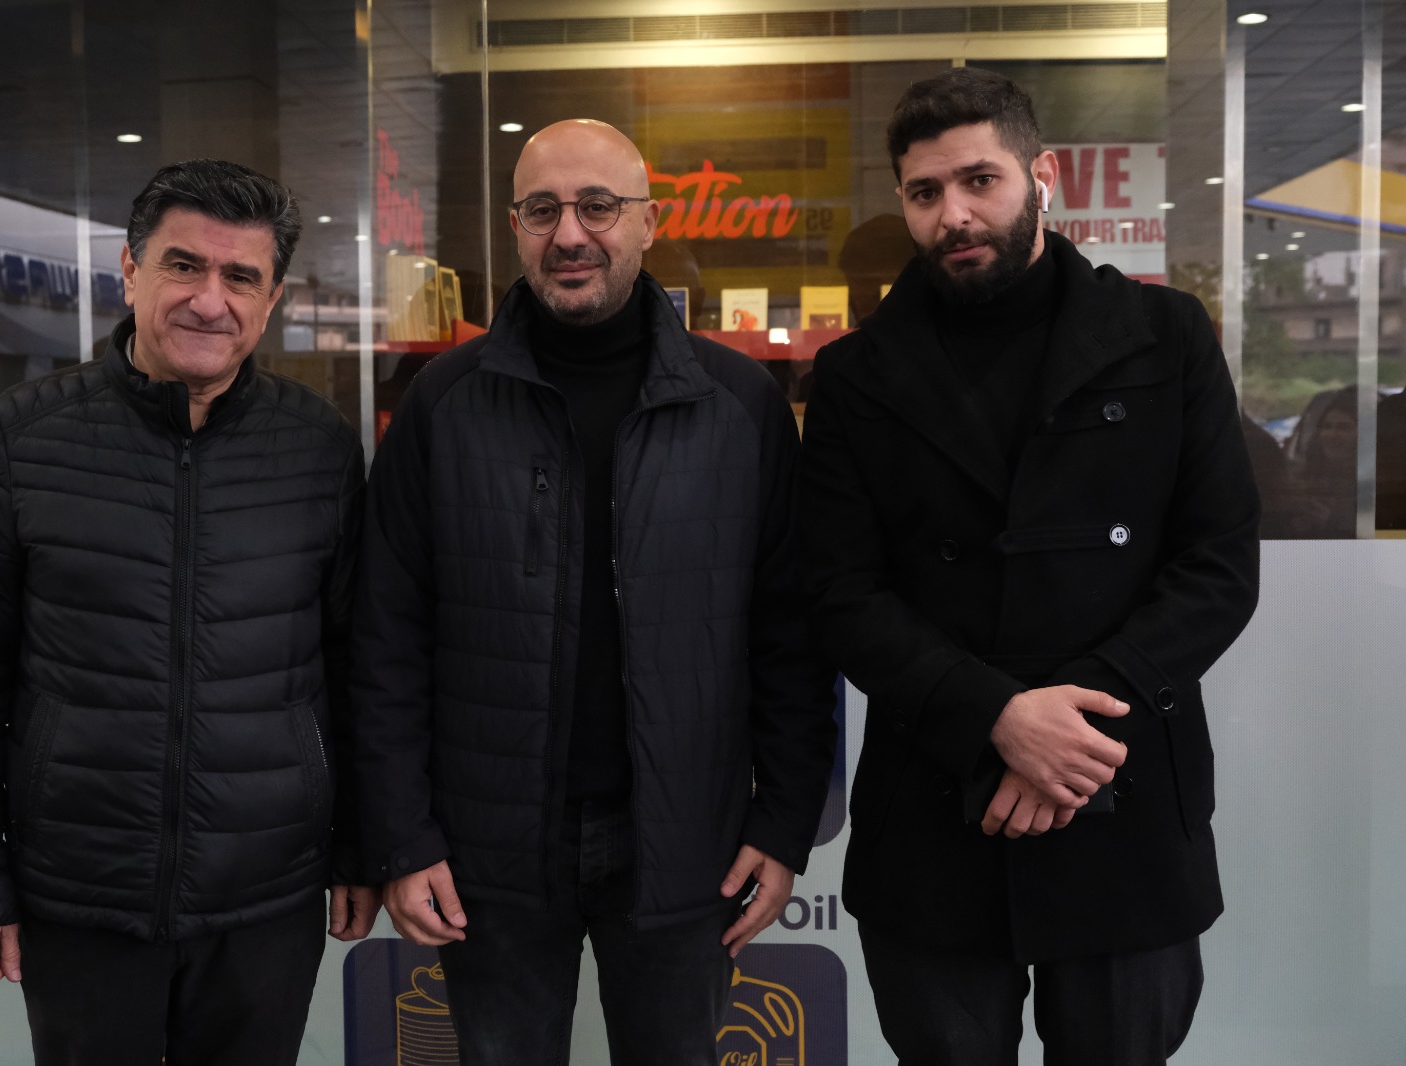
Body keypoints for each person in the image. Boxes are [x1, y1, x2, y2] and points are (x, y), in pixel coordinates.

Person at [799, 68, 1260, 1064]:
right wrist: (998, 718)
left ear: (1041, 176)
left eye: (981, 181)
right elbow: (838, 592)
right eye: (925, 193)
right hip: (936, 810)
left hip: (1122, 794)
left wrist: (1071, 728)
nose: (953, 215)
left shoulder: (1165, 337)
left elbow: (1218, 564)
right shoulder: (852, 377)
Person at [352, 118, 837, 1065]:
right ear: (515, 228)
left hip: (687, 845)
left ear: (650, 222)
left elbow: (790, 635)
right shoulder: (442, 402)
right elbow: (387, 638)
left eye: (599, 206)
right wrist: (404, 837)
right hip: (487, 850)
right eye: (542, 210)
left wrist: (784, 826)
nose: (570, 233)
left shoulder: (738, 406)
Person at [0, 159, 378, 1065]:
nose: (210, 300)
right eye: (183, 265)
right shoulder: (26, 437)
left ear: (271, 299)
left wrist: (362, 847)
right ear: (130, 271)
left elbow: (359, 672)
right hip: (80, 899)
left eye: (241, 276)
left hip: (266, 901)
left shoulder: (317, 448)